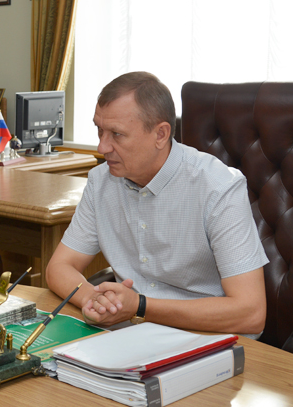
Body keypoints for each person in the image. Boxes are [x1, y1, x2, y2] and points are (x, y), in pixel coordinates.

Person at [46, 72, 267, 338]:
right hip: (130, 335)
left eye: (117, 134)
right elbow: (59, 267)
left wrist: (140, 307)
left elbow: (251, 314)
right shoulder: (101, 181)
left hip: (205, 338)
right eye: (99, 130)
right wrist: (96, 301)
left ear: (161, 134)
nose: (102, 147)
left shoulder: (218, 187)